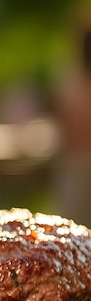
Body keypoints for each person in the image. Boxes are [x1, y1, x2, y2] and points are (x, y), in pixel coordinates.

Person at [52, 27, 91, 227]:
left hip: (74, 168)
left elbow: (63, 130)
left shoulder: (69, 84)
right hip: (75, 167)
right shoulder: (70, 83)